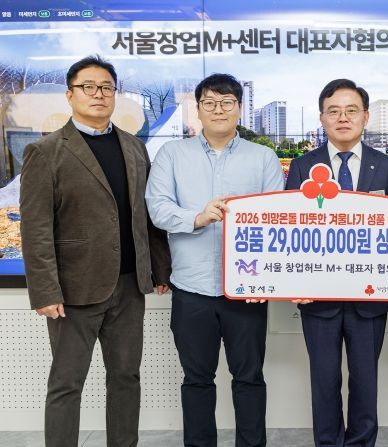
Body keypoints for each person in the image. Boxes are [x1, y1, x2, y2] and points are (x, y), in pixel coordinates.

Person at [19, 55, 171, 447]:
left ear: (115, 94)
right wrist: (45, 290)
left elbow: (147, 214)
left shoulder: (134, 148)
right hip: (73, 290)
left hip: (129, 287)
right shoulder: (46, 151)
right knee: (66, 383)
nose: (98, 94)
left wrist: (159, 269)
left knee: (126, 378)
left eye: (106, 87)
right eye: (88, 86)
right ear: (70, 95)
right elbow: (36, 228)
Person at [145, 73, 284, 447]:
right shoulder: (172, 155)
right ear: (198, 109)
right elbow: (157, 208)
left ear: (239, 108)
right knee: (196, 380)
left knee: (249, 378)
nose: (218, 109)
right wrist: (197, 217)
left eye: (226, 102)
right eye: (209, 102)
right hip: (191, 290)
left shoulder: (263, 157)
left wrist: (267, 279)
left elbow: (277, 220)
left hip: (247, 291)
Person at [285, 79, 388, 447]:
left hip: (370, 298)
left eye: (351, 110)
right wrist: (293, 280)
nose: (343, 118)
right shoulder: (303, 166)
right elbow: (289, 232)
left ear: (365, 117)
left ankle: (362, 443)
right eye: (333, 111)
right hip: (317, 299)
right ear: (322, 118)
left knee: (366, 382)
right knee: (324, 382)